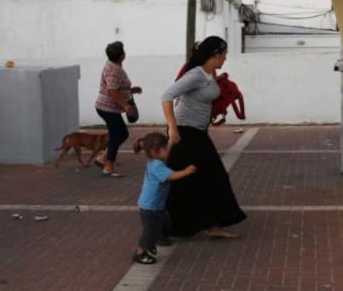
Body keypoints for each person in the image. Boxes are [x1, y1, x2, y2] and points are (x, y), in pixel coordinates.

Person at [162, 36, 246, 239]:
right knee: (186, 180)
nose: (225, 58)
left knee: (208, 178)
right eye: (223, 55)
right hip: (185, 133)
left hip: (197, 132)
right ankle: (163, 228)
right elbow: (167, 96)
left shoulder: (208, 74)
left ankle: (211, 225)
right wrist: (173, 129)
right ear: (215, 55)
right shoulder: (196, 75)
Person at [131, 132, 197, 264]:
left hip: (154, 205)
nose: (168, 150)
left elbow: (165, 154)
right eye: (165, 148)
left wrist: (171, 142)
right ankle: (140, 252)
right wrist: (186, 171)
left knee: (163, 222)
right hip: (150, 206)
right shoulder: (157, 166)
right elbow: (170, 176)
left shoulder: (155, 160)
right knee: (150, 231)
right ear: (155, 151)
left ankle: (156, 240)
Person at [95, 41, 141, 177]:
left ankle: (104, 158)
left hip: (109, 107)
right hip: (107, 108)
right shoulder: (114, 70)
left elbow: (116, 87)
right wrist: (126, 106)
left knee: (120, 134)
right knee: (118, 135)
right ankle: (107, 166)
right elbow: (112, 91)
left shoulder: (113, 65)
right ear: (122, 55)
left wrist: (131, 90)